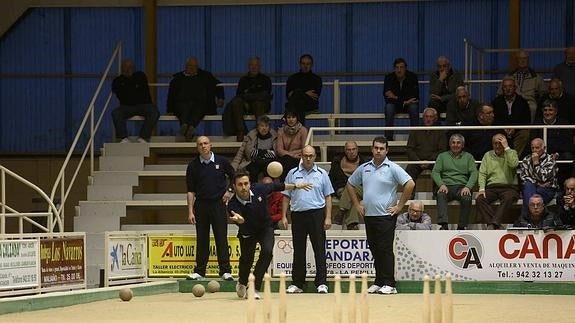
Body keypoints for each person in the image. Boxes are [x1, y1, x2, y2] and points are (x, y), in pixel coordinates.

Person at [346, 136, 414, 295]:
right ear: (372, 149)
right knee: (375, 249)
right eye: (376, 148)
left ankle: (390, 283)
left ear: (386, 150)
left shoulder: (392, 167)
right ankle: (379, 281)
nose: (378, 151)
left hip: (386, 216)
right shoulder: (364, 168)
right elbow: (350, 184)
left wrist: (399, 206)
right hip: (369, 215)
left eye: (381, 148)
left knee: (385, 249)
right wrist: (356, 205)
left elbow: (410, 184)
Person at [229, 170, 311, 300]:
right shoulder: (232, 204)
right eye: (240, 184)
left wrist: (296, 186)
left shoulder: (259, 188)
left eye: (246, 183)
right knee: (246, 260)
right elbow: (239, 218)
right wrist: (240, 220)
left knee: (267, 252)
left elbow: (278, 186)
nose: (244, 187)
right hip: (247, 231)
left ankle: (254, 286)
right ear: (234, 186)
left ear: (250, 183)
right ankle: (242, 281)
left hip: (265, 227)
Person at [281, 145, 334, 294]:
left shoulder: (322, 174)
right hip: (297, 215)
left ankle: (322, 283)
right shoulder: (292, 173)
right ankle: (298, 283)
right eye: (305, 155)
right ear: (301, 156)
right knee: (298, 250)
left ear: (315, 156)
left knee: (319, 248)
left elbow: (328, 196)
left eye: (311, 155)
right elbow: (286, 196)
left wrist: (328, 217)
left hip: (317, 214)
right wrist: (284, 215)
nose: (308, 158)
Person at [186, 136, 235, 281]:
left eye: (205, 143)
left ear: (211, 145)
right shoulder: (193, 165)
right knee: (202, 239)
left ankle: (225, 271)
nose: (203, 146)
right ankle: (200, 271)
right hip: (200, 206)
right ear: (197, 147)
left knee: (221, 238)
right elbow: (190, 191)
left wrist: (230, 191)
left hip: (218, 205)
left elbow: (235, 176)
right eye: (200, 144)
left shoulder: (222, 161)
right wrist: (190, 211)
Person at [167, 57, 224, 140]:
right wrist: (169, 109)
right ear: (185, 66)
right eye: (190, 66)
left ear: (197, 67)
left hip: (200, 103)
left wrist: (220, 97)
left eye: (194, 66)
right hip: (182, 103)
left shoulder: (205, 76)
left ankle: (188, 128)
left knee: (199, 108)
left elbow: (218, 85)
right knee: (184, 108)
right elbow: (171, 94)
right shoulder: (178, 79)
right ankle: (186, 128)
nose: (192, 68)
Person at [431, 134, 478, 230]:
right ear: (449, 144)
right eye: (453, 142)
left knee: (467, 198)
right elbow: (435, 172)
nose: (455, 145)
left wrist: (468, 187)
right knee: (440, 194)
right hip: (446, 186)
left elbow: (474, 173)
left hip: (462, 187)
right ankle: (444, 225)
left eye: (458, 143)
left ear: (463, 145)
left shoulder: (468, 157)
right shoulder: (442, 156)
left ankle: (461, 226)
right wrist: (441, 185)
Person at [476, 134, 520, 230]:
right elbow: (482, 173)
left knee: (509, 198)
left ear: (504, 143)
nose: (497, 146)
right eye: (495, 143)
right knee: (480, 199)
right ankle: (496, 224)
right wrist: (482, 188)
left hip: (509, 187)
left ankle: (492, 224)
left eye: (500, 143)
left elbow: (513, 164)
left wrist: (507, 147)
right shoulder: (487, 155)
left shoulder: (512, 152)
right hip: (492, 187)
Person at [111, 58, 159, 143]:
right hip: (126, 106)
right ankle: (123, 138)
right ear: (122, 68)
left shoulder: (140, 75)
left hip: (144, 105)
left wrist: (128, 89)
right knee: (116, 113)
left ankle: (143, 137)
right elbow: (120, 95)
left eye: (131, 67)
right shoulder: (117, 80)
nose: (129, 69)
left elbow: (140, 93)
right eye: (126, 67)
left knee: (154, 112)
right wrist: (132, 89)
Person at [227, 57, 272, 142]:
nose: (254, 67)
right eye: (252, 65)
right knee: (236, 102)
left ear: (259, 66)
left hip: (260, 105)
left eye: (256, 65)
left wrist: (248, 96)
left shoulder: (265, 79)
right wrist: (253, 96)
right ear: (248, 66)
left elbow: (265, 95)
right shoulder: (243, 79)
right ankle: (240, 131)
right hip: (246, 106)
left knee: (258, 103)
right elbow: (239, 95)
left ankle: (260, 132)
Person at [531, 100, 574, 188]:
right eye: (545, 110)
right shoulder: (537, 124)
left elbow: (568, 144)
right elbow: (533, 141)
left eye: (550, 110)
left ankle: (562, 186)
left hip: (560, 154)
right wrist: (545, 154)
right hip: (541, 153)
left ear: (556, 111)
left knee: (568, 156)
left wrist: (557, 153)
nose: (547, 112)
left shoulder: (564, 124)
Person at [405, 107, 446, 197]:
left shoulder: (441, 131)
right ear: (423, 117)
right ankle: (409, 195)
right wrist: (418, 161)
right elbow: (409, 149)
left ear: (435, 118)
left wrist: (430, 161)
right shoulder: (415, 130)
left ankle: (436, 195)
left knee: (440, 168)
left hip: (434, 161)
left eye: (431, 117)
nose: (428, 119)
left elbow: (442, 150)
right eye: (426, 116)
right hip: (417, 160)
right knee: (409, 169)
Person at [328, 141, 368, 230]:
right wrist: (333, 192)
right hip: (342, 189)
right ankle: (352, 224)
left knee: (352, 188)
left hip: (360, 189)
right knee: (354, 198)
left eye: (353, 149)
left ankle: (342, 210)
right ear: (345, 151)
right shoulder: (337, 162)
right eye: (349, 149)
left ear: (357, 150)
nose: (351, 152)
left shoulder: (364, 163)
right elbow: (331, 178)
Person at [492, 77, 531, 157]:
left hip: (517, 130)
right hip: (501, 130)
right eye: (505, 87)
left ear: (515, 88)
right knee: (496, 135)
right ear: (502, 89)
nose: (508, 89)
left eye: (510, 86)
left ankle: (512, 158)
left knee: (525, 134)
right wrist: (503, 129)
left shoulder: (522, 102)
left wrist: (515, 128)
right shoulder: (496, 102)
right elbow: (494, 119)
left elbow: (526, 120)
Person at [231, 115, 277, 183]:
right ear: (257, 127)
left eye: (266, 126)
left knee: (269, 167)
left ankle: (269, 190)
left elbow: (275, 154)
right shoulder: (251, 136)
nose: (264, 128)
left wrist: (258, 152)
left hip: (269, 162)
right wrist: (233, 167)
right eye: (262, 126)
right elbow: (243, 153)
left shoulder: (274, 136)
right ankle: (253, 190)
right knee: (253, 168)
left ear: (269, 127)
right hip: (253, 162)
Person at [504, 50, 546, 121]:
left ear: (528, 60)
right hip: (511, 101)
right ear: (516, 60)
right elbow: (499, 93)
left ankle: (530, 131)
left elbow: (544, 94)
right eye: (520, 58)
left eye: (525, 58)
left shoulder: (536, 78)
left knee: (533, 107)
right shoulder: (509, 77)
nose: (522, 60)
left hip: (529, 102)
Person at [383, 58, 420, 139]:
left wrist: (396, 97)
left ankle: (415, 137)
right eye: (397, 67)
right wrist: (405, 101)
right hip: (395, 105)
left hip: (408, 105)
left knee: (414, 107)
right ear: (394, 68)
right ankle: (388, 137)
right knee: (389, 107)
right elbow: (387, 96)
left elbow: (415, 96)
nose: (399, 70)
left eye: (401, 67)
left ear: (405, 68)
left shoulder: (412, 77)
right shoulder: (388, 78)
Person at [519, 138, 558, 214]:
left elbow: (544, 178)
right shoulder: (526, 159)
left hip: (547, 189)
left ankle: (525, 220)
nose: (534, 150)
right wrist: (537, 183)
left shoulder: (550, 160)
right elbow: (524, 177)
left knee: (533, 197)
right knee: (528, 186)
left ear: (544, 148)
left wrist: (536, 163)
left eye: (537, 148)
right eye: (532, 148)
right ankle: (530, 221)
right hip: (533, 187)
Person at [285, 54, 322, 125]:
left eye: (308, 64)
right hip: (296, 104)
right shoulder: (292, 78)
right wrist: (305, 93)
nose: (305, 66)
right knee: (298, 102)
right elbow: (288, 95)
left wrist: (297, 92)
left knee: (296, 96)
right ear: (300, 64)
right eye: (303, 63)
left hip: (310, 104)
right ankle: (301, 129)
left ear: (312, 65)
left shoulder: (316, 79)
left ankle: (294, 127)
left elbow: (315, 95)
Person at [276, 110, 308, 181]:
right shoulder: (281, 131)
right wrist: (292, 155)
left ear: (297, 118)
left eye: (293, 117)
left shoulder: (303, 130)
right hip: (285, 158)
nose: (291, 119)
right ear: (285, 119)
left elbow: (304, 149)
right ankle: (284, 185)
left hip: (298, 158)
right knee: (286, 159)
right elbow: (279, 150)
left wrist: (291, 154)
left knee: (287, 160)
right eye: (288, 117)